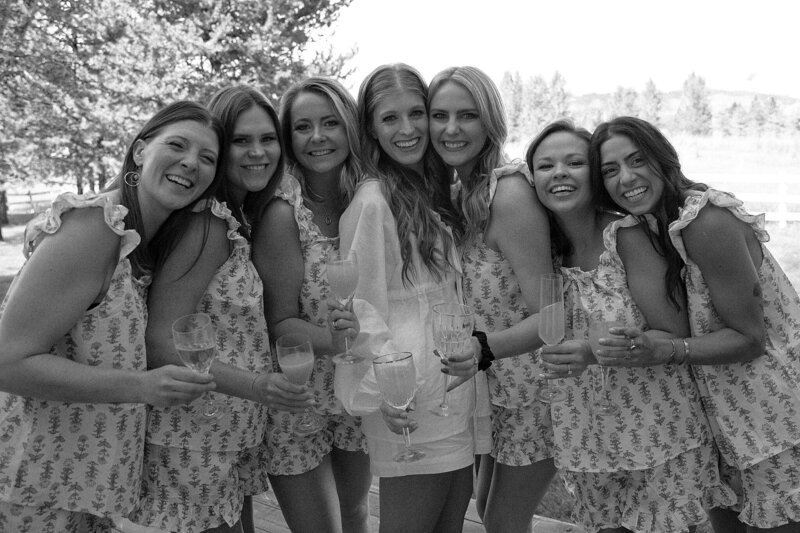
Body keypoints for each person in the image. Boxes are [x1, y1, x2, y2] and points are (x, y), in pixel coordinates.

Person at [0, 101, 219, 532]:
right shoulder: (94, 227)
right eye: (177, 145)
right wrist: (143, 386)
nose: (191, 162)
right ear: (139, 151)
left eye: (207, 157)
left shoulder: (143, 240)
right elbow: (7, 361)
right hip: (33, 488)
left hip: (87, 487)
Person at [591, 115, 800, 533]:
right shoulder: (649, 228)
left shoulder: (706, 220)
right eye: (610, 170)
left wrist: (665, 349)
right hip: (722, 421)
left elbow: (750, 338)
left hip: (772, 416)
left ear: (664, 157)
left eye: (637, 160)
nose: (626, 178)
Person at [532, 119, 734, 533]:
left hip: (656, 428)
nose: (559, 174)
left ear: (595, 174)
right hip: (586, 431)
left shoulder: (626, 236)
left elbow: (672, 331)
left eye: (574, 163)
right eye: (545, 166)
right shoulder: (542, 248)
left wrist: (592, 352)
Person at [132, 86, 313, 533]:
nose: (258, 152)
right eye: (240, 141)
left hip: (227, 433)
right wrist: (258, 386)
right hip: (192, 439)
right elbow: (161, 341)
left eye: (267, 139)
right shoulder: (206, 224)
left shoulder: (236, 219)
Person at [334, 63, 475, 533]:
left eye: (417, 113)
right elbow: (362, 306)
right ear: (371, 128)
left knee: (449, 519)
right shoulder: (372, 201)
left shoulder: (434, 189)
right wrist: (390, 391)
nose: (408, 129)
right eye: (390, 118)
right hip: (409, 390)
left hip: (451, 380)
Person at [427, 65, 556, 533]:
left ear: (490, 121)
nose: (451, 129)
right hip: (488, 388)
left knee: (502, 521)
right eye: (439, 115)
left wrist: (482, 349)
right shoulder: (458, 193)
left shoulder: (511, 193)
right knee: (486, 511)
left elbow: (552, 316)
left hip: (533, 389)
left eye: (467, 115)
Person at [255, 77, 371, 533]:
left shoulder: (367, 199)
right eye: (303, 127)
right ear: (289, 138)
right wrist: (341, 343)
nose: (317, 137)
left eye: (330, 123)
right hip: (299, 396)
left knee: (356, 511)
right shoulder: (283, 213)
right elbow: (280, 322)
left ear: (350, 128)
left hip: (356, 388)